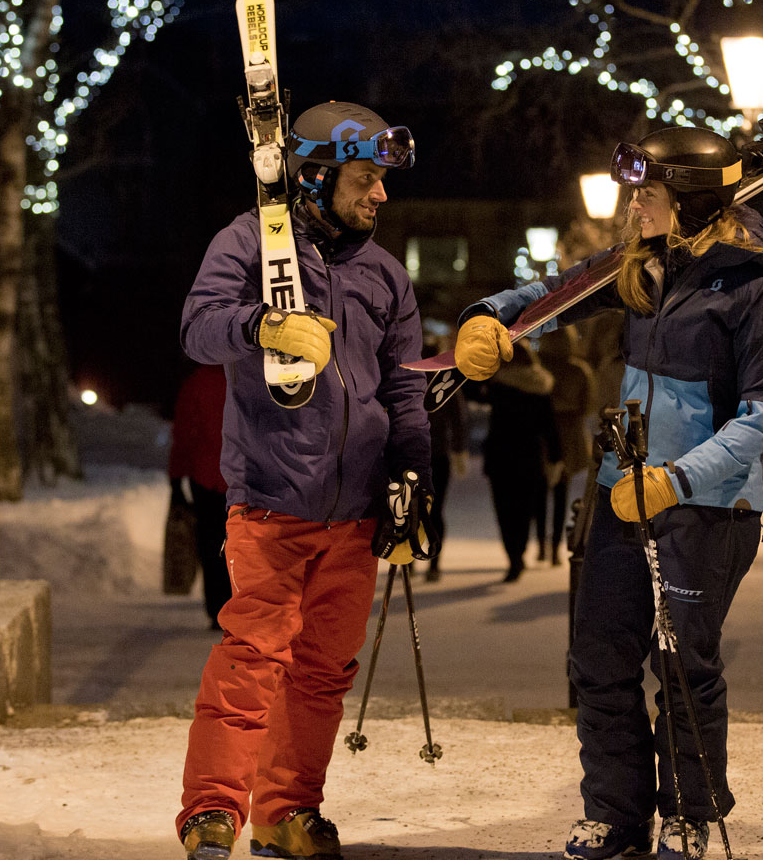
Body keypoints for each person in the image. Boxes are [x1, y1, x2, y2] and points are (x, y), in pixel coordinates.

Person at [453, 125, 763, 860]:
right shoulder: (643, 267)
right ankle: (615, 813)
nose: (633, 205)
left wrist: (676, 479)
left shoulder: (755, 289)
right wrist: (489, 317)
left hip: (706, 506)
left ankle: (688, 815)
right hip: (621, 494)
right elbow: (553, 292)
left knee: (682, 665)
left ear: (693, 200)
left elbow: (762, 414)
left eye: (648, 193)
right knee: (598, 661)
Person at [174, 101, 434, 860]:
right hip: (272, 496)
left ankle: (286, 810)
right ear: (315, 177)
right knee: (253, 658)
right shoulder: (250, 241)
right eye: (364, 180)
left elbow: (405, 390)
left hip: (354, 512)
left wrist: (412, 475)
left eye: (383, 181)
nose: (379, 196)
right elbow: (197, 326)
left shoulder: (386, 274)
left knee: (322, 671)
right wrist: (259, 324)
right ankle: (212, 811)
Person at [473, 344, 561, 582]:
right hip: (529, 457)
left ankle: (513, 556)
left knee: (504, 510)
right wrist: (555, 458)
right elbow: (549, 427)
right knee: (524, 510)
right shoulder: (540, 387)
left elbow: (470, 391)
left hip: (500, 456)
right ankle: (519, 551)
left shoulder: (498, 386)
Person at [170, 360, 233, 628]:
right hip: (243, 478)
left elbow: (184, 433)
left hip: (205, 477)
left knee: (211, 545)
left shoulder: (196, 382)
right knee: (243, 544)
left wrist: (176, 480)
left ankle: (217, 609)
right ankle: (241, 606)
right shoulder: (245, 376)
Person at [541, 326, 596, 565]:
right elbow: (589, 404)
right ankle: (554, 547)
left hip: (545, 432)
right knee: (562, 492)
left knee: (540, 490)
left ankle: (542, 543)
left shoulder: (541, 366)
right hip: (571, 434)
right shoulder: (579, 370)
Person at [425, 335, 469, 583]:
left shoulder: (408, 378)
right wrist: (460, 450)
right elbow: (459, 419)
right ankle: (434, 562)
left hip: (413, 454)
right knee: (436, 510)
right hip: (438, 452)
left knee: (410, 508)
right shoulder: (446, 380)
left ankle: (409, 561)